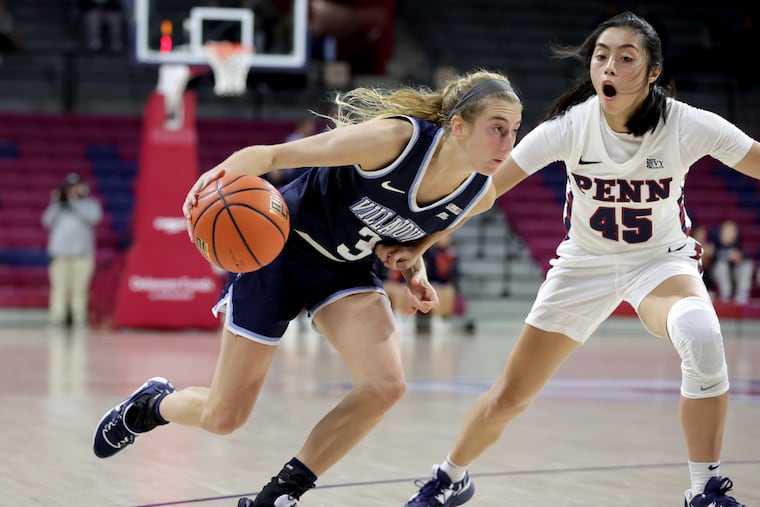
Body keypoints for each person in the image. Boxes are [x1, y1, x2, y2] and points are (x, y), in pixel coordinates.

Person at [91, 69, 523, 507]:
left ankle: (281, 494)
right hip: (280, 254)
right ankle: (150, 406)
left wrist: (416, 272)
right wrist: (211, 182)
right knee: (224, 418)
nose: (508, 145)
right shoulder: (395, 141)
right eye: (498, 129)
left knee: (385, 386)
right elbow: (272, 156)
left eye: (514, 132)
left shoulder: (478, 195)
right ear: (458, 126)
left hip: (345, 272)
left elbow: (415, 240)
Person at [397, 12, 760, 507]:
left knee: (700, 334)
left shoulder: (686, 124)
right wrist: (423, 241)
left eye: (625, 57)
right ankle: (450, 476)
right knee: (509, 396)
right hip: (582, 265)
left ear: (653, 72)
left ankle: (704, 489)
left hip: (659, 262)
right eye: (601, 55)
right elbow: (487, 191)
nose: (608, 66)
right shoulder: (570, 126)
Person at [41, 172, 103, 327]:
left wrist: (73, 201)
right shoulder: (59, 207)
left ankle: (79, 319)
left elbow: (94, 218)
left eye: (76, 187)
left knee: (80, 290)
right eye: (70, 188)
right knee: (59, 289)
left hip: (82, 256)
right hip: (60, 256)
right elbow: (46, 221)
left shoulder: (90, 205)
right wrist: (56, 203)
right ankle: (57, 319)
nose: (73, 190)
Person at [710, 219, 754, 305]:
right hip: (717, 274)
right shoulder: (715, 242)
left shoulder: (737, 244)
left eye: (733, 231)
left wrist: (739, 257)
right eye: (728, 231)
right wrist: (727, 255)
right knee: (722, 265)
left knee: (747, 264)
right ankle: (726, 293)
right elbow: (712, 256)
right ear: (722, 232)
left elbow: (745, 256)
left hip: (733, 274)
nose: (731, 234)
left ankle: (742, 293)